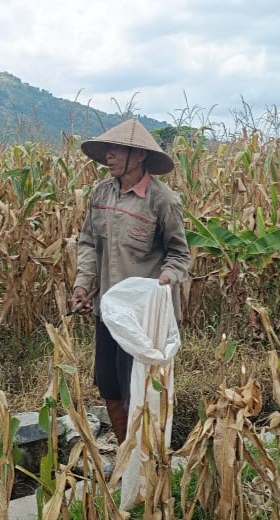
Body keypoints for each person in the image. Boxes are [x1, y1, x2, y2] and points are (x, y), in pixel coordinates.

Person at [70, 118, 191, 445]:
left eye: (116, 150)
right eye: (107, 150)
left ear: (138, 156)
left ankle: (150, 463)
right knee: (110, 388)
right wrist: (83, 284)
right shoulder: (101, 194)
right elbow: (88, 243)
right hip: (107, 313)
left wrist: (166, 278)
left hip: (145, 321)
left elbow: (180, 254)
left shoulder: (162, 200)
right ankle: (126, 457)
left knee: (143, 393)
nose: (108, 156)